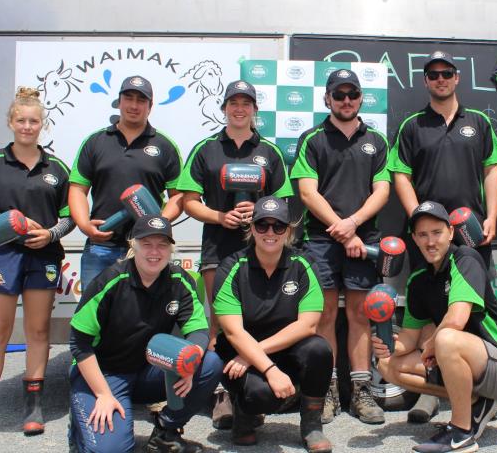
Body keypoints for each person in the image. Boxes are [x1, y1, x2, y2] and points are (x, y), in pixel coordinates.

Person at [388, 50, 497, 422]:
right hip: (431, 235)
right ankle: (433, 394)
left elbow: (492, 171)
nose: (440, 79)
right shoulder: (412, 125)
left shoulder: (481, 122)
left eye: (447, 73)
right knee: (428, 311)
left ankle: (484, 389)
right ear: (426, 81)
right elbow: (400, 175)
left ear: (457, 78)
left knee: (470, 311)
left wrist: (493, 217)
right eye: (433, 74)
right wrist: (418, 221)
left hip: (470, 234)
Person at [0, 87, 76, 441]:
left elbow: (69, 216)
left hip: (43, 256)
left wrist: (51, 235)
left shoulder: (56, 167)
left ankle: (33, 406)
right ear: (11, 123)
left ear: (43, 124)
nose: (28, 126)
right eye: (21, 120)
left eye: (34, 121)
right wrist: (8, 222)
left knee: (38, 330)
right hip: (2, 255)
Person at [176, 79, 293, 429]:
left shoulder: (269, 152)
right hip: (217, 247)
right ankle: (221, 396)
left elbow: (283, 203)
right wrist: (220, 216)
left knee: (255, 322)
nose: (239, 109)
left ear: (255, 110)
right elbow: (188, 201)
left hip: (261, 249)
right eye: (233, 103)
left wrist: (259, 217)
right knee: (218, 325)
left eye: (246, 103)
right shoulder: (206, 148)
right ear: (224, 107)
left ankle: (251, 393)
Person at [373, 201, 497, 453]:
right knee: (387, 364)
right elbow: (409, 340)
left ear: (451, 233)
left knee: (446, 337)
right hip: (466, 361)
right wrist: (387, 345)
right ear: (414, 238)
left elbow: (457, 318)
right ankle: (476, 403)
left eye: (437, 232)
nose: (430, 241)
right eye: (423, 235)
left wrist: (431, 346)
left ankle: (462, 433)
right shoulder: (418, 280)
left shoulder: (465, 258)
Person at [68, 215, 221, 452]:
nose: (154, 252)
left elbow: (199, 331)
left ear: (170, 249)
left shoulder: (179, 280)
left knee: (208, 363)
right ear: (133, 244)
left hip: (149, 371)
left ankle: (165, 432)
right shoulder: (110, 280)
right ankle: (80, 424)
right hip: (105, 373)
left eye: (162, 245)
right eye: (147, 244)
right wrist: (103, 394)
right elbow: (79, 344)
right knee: (111, 450)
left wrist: (189, 363)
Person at [290, 68, 391, 425]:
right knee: (325, 316)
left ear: (361, 98)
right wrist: (344, 231)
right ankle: (328, 388)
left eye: (353, 94)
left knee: (360, 315)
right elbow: (306, 191)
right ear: (327, 99)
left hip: (363, 238)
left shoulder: (376, 141)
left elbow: (383, 190)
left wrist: (354, 226)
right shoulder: (312, 138)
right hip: (321, 240)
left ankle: (361, 391)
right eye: (339, 95)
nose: (346, 101)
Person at [213, 196, 333, 452]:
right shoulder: (232, 266)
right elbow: (233, 331)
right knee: (259, 396)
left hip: (277, 349)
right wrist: (268, 369)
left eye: (278, 226)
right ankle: (244, 414)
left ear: (288, 230)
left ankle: (311, 425)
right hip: (239, 350)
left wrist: (254, 356)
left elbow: (307, 326)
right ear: (252, 228)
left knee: (319, 350)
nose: (270, 232)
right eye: (262, 225)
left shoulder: (303, 264)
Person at [68, 75, 184, 290]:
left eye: (141, 100)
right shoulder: (95, 142)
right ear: (119, 101)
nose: (134, 105)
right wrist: (85, 225)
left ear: (150, 106)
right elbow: (77, 189)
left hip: (148, 248)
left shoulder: (165, 145)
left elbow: (178, 196)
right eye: (128, 98)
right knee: (93, 317)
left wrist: (157, 223)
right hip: (101, 246)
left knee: (144, 316)